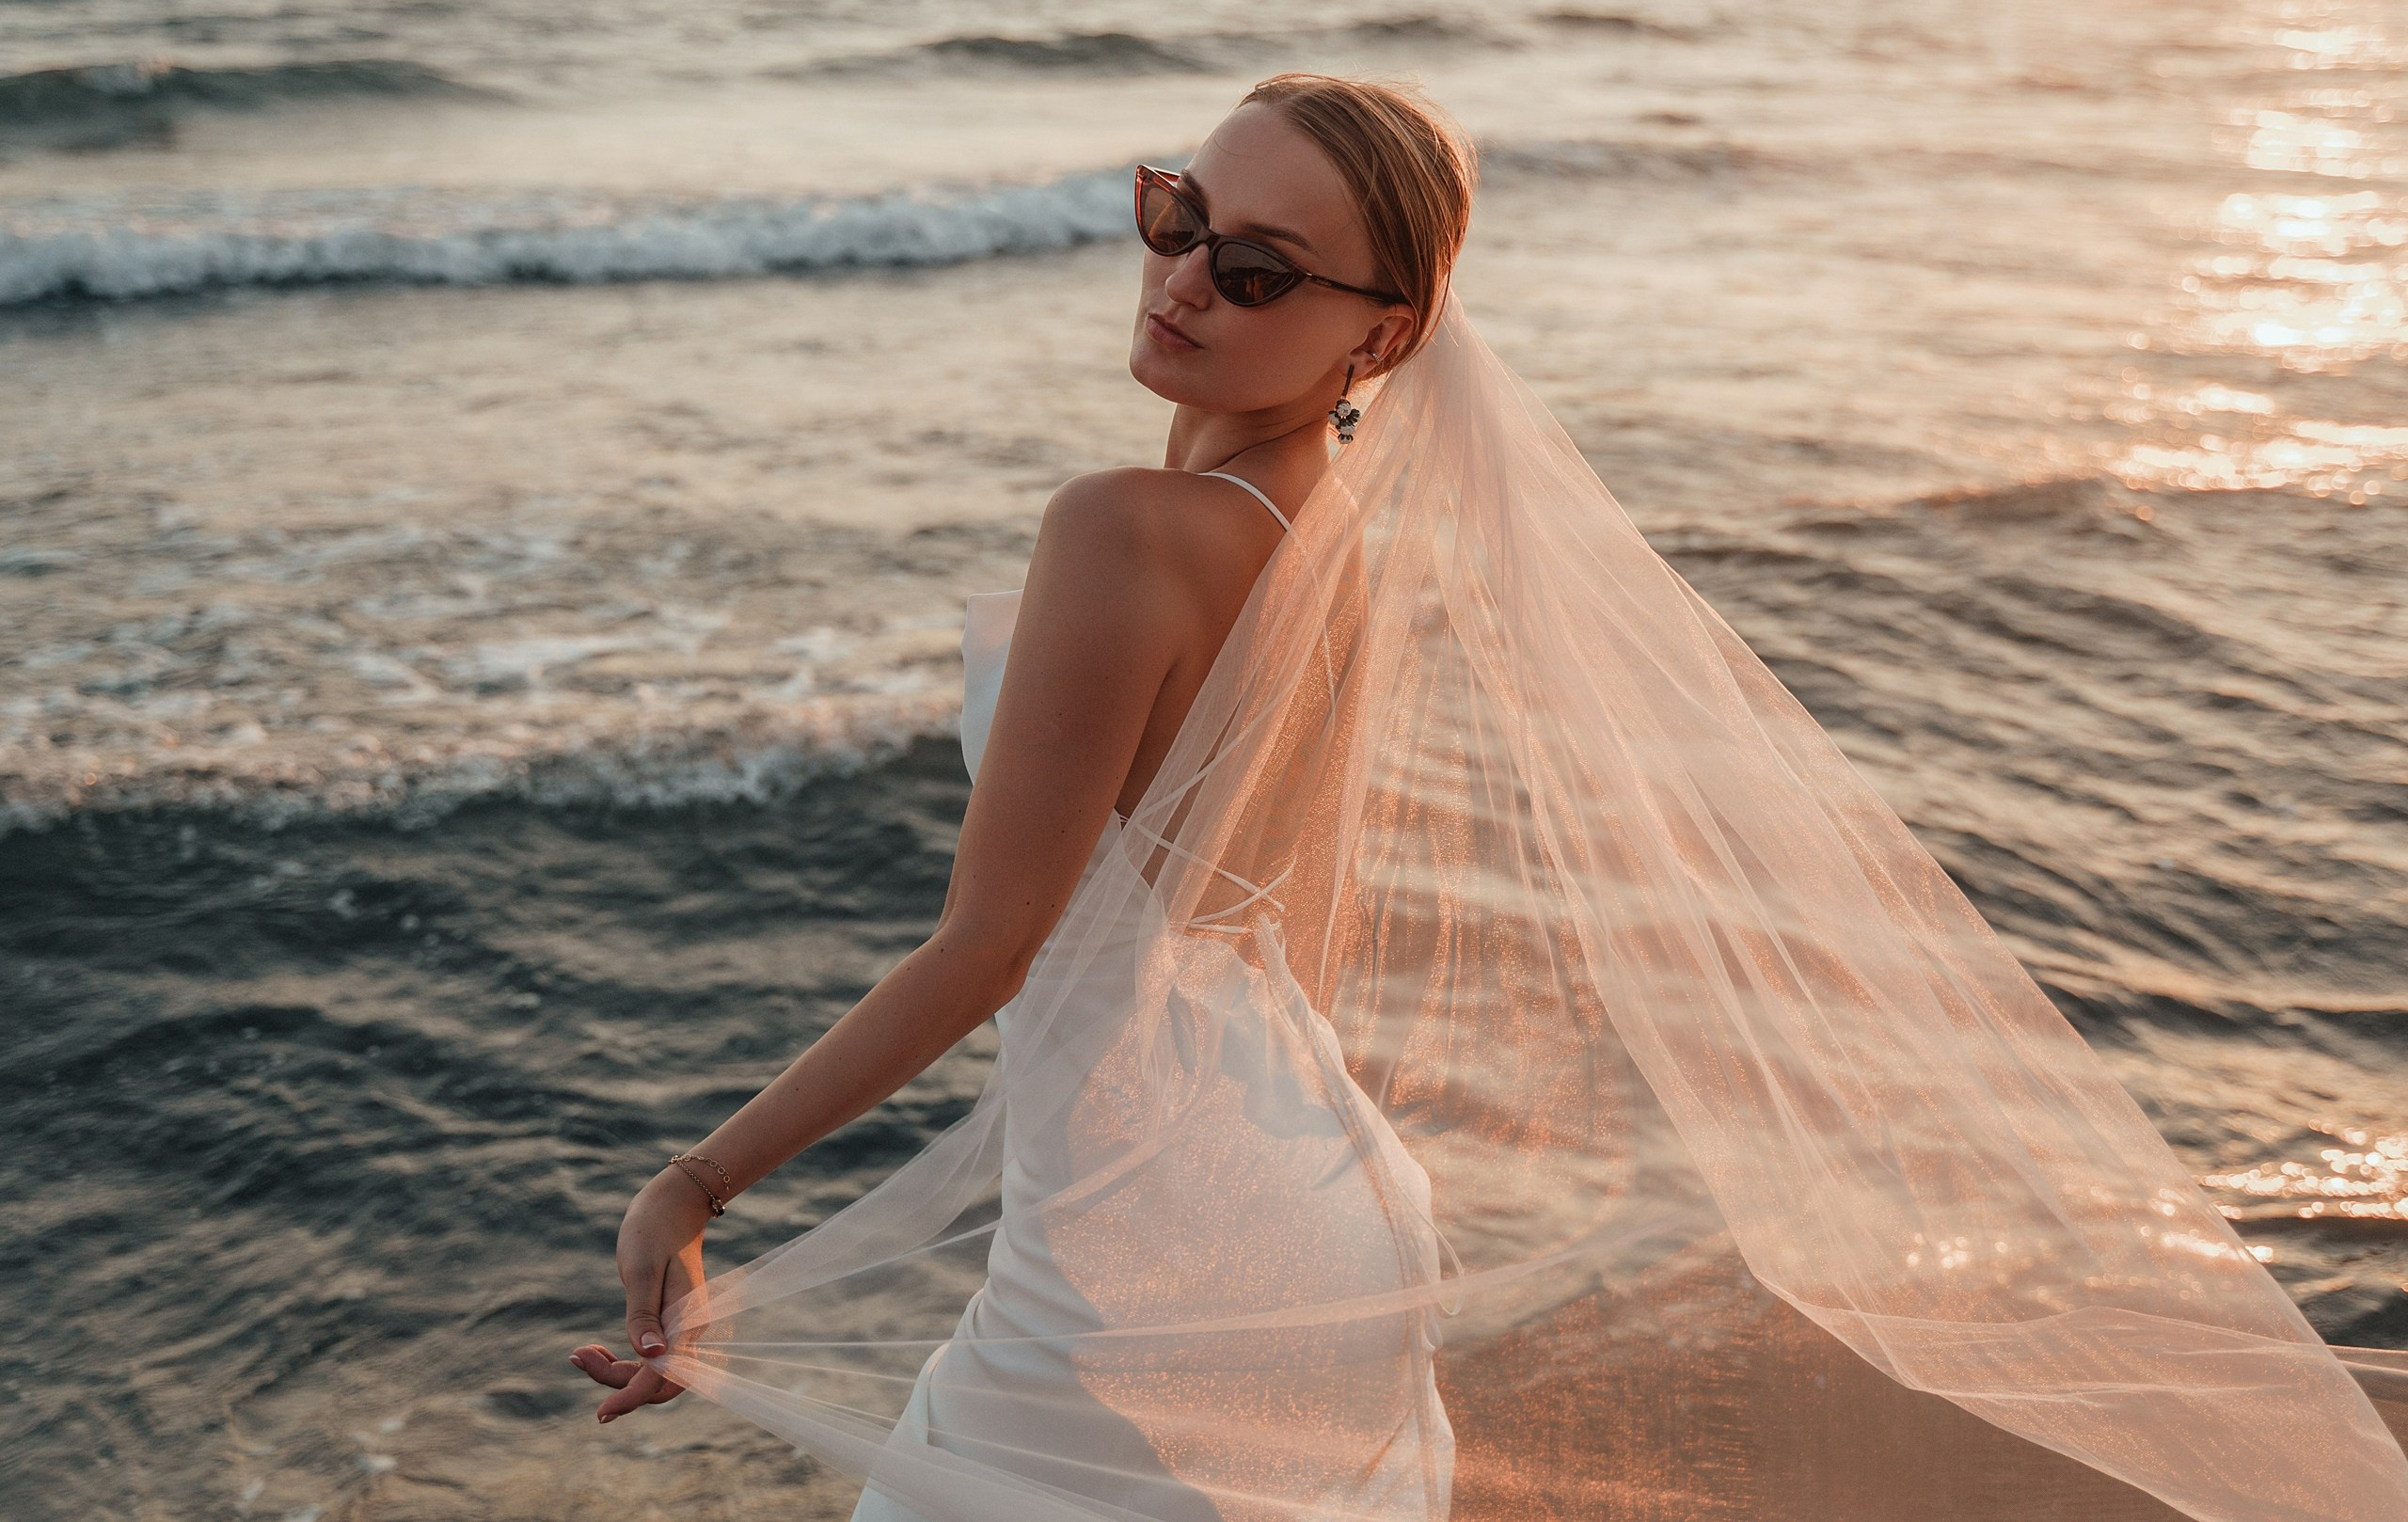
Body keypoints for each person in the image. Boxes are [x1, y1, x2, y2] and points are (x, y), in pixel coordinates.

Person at [574, 75, 2408, 1522]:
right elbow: (1242, 915)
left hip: (1155, 1229)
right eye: (1177, 214)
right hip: (1298, 1184)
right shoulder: (1318, 548)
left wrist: (697, 1175)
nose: (1184, 276)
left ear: (1380, 336)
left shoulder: (1119, 528)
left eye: (1259, 267)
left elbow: (993, 944)